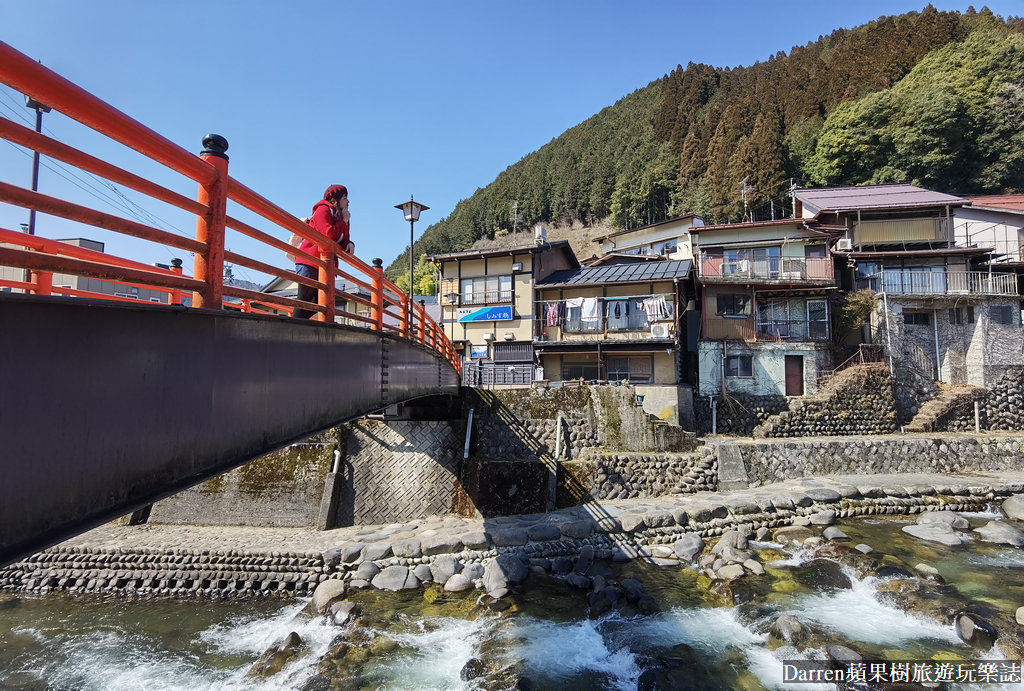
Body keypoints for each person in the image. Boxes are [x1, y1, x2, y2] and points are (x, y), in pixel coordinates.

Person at [293, 184, 352, 319]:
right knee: (304, 300)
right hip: (309, 259)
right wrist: (344, 221)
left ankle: (299, 327)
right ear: (334, 200)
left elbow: (343, 239)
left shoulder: (340, 216)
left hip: (324, 264)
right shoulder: (323, 209)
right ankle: (292, 331)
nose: (348, 201)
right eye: (344, 198)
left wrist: (350, 243)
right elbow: (328, 234)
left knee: (323, 302)